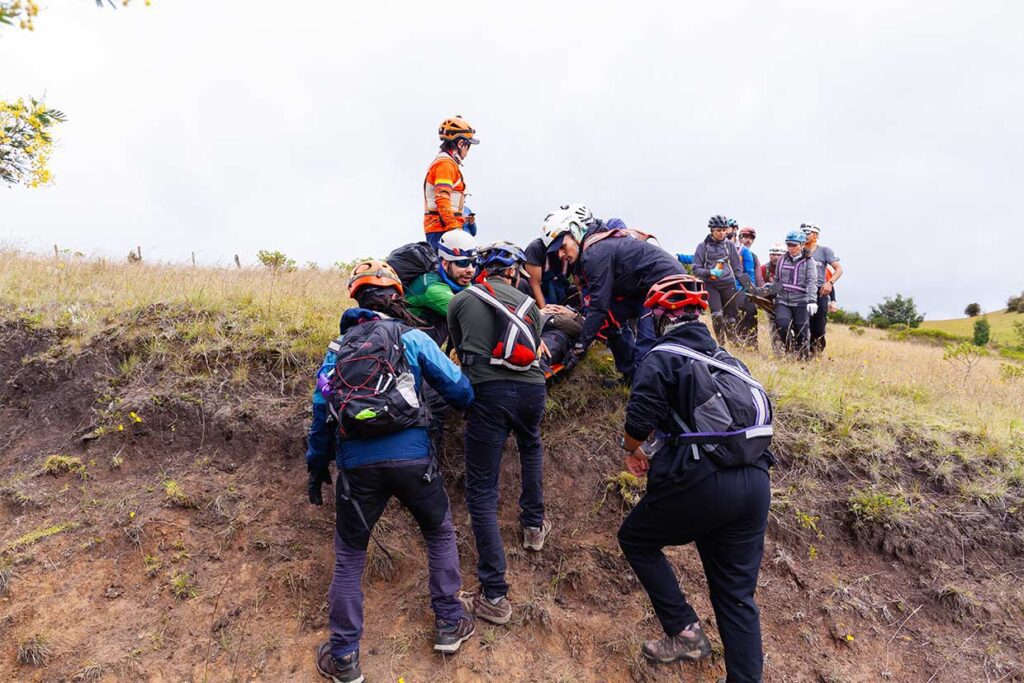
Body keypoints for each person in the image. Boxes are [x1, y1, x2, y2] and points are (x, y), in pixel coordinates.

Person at [307, 261, 476, 683]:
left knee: (349, 556)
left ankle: (344, 656)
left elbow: (319, 414)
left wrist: (316, 467)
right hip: (413, 458)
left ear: (355, 301)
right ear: (397, 297)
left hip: (356, 467)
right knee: (438, 533)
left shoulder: (336, 350)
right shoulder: (413, 338)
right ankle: (449, 623)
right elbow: (460, 389)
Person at [616, 273, 773, 683]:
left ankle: (684, 632)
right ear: (698, 314)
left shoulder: (662, 355)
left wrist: (631, 447)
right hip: (755, 481)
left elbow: (638, 421)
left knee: (636, 538)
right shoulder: (730, 360)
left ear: (660, 316)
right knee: (736, 594)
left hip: (703, 480)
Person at [448, 242, 550, 626]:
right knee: (531, 445)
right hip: (533, 390)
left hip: (488, 394)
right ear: (513, 272)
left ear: (482, 270)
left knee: (482, 491)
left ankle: (495, 595)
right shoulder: (529, 305)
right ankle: (534, 526)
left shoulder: (461, 300)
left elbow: (459, 350)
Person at [551, 217, 686, 382]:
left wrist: (580, 347)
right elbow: (602, 307)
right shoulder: (594, 249)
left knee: (645, 342)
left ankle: (644, 390)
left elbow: (598, 306)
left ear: (575, 235)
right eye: (556, 251)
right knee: (610, 318)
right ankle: (631, 376)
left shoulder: (594, 253)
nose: (560, 254)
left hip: (663, 281)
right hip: (642, 287)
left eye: (563, 247)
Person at [405, 230, 479, 347]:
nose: (470, 270)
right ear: (445, 264)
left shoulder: (458, 280)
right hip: (406, 345)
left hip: (424, 340)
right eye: (463, 263)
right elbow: (472, 316)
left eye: (474, 263)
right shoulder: (432, 288)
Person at [423, 116, 479, 250]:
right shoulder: (445, 164)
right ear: (460, 144)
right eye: (468, 146)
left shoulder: (448, 163)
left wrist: (462, 220)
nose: (467, 152)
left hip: (445, 227)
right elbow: (442, 198)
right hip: (443, 229)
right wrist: (454, 229)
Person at [692, 215, 746, 345]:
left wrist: (745, 284)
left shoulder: (729, 245)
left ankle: (734, 344)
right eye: (718, 230)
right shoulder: (702, 246)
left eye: (724, 230)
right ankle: (721, 344)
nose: (722, 233)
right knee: (717, 315)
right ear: (711, 230)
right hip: (711, 285)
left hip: (728, 284)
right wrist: (709, 272)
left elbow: (737, 267)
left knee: (731, 318)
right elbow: (695, 268)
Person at [768, 231, 818, 357]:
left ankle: (803, 356)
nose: (791, 248)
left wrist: (812, 300)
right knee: (782, 325)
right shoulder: (781, 260)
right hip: (783, 299)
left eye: (794, 245)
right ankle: (790, 350)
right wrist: (773, 293)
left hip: (801, 300)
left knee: (801, 329)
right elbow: (777, 280)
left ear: (801, 245)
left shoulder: (809, 262)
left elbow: (812, 281)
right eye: (788, 244)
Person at [801, 224, 843, 356]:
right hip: (801, 290)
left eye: (808, 232)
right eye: (803, 232)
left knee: (818, 326)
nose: (805, 235)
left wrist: (830, 283)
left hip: (820, 292)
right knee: (801, 324)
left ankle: (816, 354)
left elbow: (839, 269)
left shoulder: (824, 251)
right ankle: (801, 353)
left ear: (816, 235)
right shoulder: (798, 249)